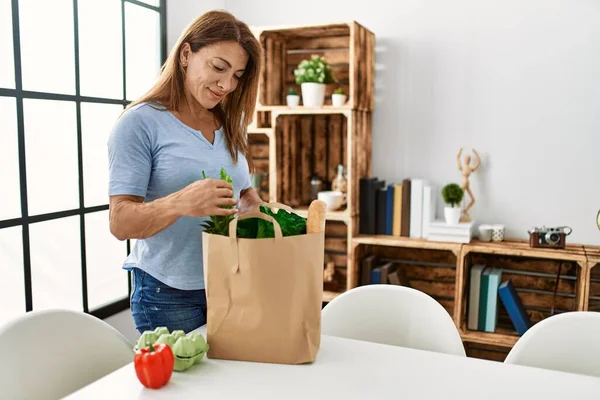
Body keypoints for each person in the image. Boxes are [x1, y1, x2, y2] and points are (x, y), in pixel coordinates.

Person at [107, 10, 264, 334]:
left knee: (233, 383)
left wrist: (255, 210)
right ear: (186, 54)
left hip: (228, 282)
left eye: (237, 74)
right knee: (187, 385)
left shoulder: (230, 123)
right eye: (218, 67)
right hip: (167, 295)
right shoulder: (139, 122)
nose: (226, 84)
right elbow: (120, 222)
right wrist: (180, 202)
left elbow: (244, 191)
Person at [456, 147, 481, 221]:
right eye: (467, 158)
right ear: (464, 160)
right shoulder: (462, 168)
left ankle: (465, 210)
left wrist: (475, 152)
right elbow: (457, 158)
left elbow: (479, 162)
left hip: (467, 185)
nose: (468, 160)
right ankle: (458, 214)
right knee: (459, 199)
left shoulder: (470, 168)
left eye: (469, 159)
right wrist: (460, 150)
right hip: (464, 184)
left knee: (473, 200)